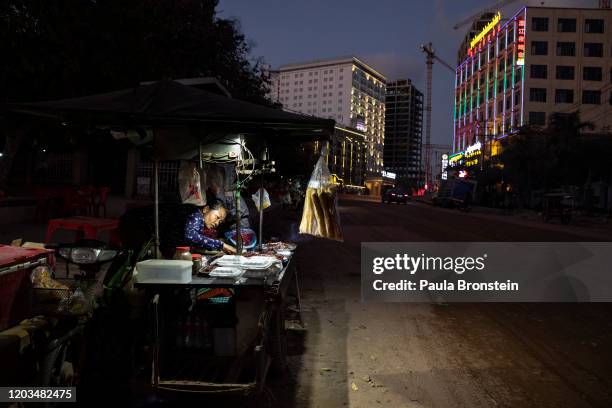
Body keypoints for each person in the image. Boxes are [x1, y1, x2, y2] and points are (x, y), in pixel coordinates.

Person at [120, 199, 236, 258]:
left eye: (220, 222)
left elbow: (178, 239)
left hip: (136, 223)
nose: (217, 223)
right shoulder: (195, 214)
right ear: (206, 209)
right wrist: (221, 245)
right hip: (136, 223)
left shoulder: (197, 220)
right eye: (217, 217)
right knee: (130, 260)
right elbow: (191, 236)